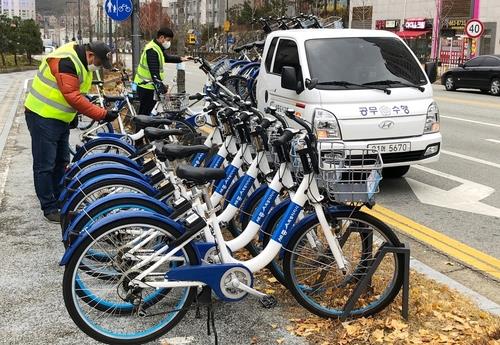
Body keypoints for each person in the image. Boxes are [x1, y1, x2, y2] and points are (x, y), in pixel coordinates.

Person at [24, 41, 119, 223]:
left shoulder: (81, 62)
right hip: (42, 115)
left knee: (61, 162)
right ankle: (49, 207)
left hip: (59, 118)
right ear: (90, 55)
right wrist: (103, 114)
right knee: (45, 165)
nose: (97, 67)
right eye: (99, 63)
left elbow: (76, 92)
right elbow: (73, 96)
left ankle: (61, 200)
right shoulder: (66, 61)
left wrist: (74, 114)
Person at [134, 27, 191, 115]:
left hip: (149, 86)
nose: (168, 43)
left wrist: (181, 59)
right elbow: (155, 75)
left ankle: (144, 128)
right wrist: (164, 90)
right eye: (168, 40)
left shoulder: (156, 46)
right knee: (144, 115)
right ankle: (139, 129)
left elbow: (166, 58)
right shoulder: (152, 50)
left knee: (147, 114)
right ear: (161, 38)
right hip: (146, 87)